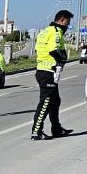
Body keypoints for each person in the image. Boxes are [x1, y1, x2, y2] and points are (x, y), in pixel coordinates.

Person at [32, 10, 74, 140]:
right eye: (67, 22)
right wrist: (62, 59)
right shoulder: (55, 32)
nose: (68, 25)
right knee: (45, 102)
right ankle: (36, 131)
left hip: (42, 70)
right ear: (61, 20)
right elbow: (53, 50)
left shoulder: (44, 32)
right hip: (48, 71)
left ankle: (56, 129)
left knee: (55, 101)